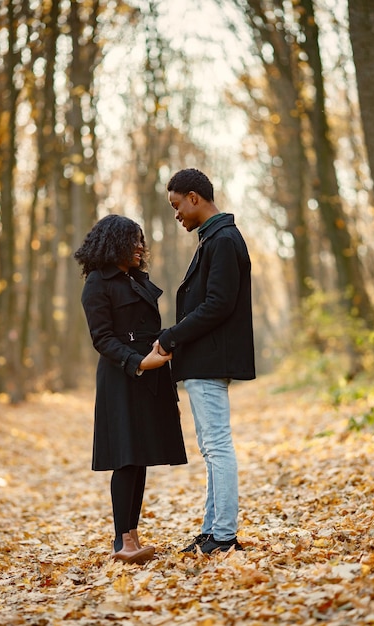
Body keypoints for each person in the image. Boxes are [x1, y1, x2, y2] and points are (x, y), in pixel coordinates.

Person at [74, 214, 187, 565]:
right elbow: (102, 339)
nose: (141, 246)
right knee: (125, 458)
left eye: (141, 240)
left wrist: (162, 350)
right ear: (113, 243)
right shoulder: (97, 282)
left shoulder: (136, 280)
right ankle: (122, 542)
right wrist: (138, 362)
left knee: (139, 459)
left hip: (148, 376)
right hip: (122, 378)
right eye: (133, 240)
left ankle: (132, 539)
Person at [158, 168, 255, 555]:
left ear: (195, 197)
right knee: (211, 446)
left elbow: (218, 304)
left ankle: (224, 535)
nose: (176, 214)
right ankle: (212, 530)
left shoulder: (224, 240)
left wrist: (171, 336)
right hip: (203, 360)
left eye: (177, 205)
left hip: (210, 359)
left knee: (217, 446)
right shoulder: (213, 239)